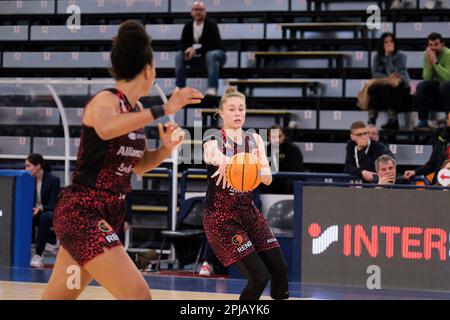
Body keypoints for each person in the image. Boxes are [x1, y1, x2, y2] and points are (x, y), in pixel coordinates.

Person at [41, 20, 203, 300]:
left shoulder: (135, 109)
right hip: (83, 212)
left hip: (107, 211)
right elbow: (105, 128)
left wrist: (165, 149)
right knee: (139, 295)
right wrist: (164, 109)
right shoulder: (107, 100)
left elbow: (138, 164)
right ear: (149, 70)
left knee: (58, 298)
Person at [202, 86, 289, 300]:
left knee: (280, 269)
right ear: (221, 113)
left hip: (248, 213)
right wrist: (227, 162)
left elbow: (267, 179)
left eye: (241, 109)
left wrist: (254, 165)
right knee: (259, 278)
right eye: (231, 109)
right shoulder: (213, 139)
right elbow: (210, 155)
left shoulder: (255, 140)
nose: (237, 113)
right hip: (222, 218)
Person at [175, 1, 227, 96]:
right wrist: (187, 49)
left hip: (217, 55)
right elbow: (182, 44)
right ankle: (180, 87)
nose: (198, 12)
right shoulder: (187, 26)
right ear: (191, 12)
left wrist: (195, 50)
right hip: (198, 57)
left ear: (205, 12)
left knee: (210, 54)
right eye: (195, 10)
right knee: (179, 55)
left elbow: (213, 44)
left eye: (200, 10)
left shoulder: (211, 25)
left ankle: (212, 87)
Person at [368, 32, 411, 130]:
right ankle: (372, 118)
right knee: (375, 87)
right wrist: (387, 78)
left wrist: (388, 57)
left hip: (401, 88)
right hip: (384, 90)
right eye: (386, 42)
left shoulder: (401, 56)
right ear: (382, 44)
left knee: (387, 87)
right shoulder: (377, 56)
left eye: (391, 41)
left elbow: (397, 75)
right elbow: (375, 74)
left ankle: (392, 119)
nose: (389, 44)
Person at [25, 153, 61, 269]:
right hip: (34, 211)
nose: (26, 169)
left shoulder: (54, 180)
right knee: (24, 216)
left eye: (28, 166)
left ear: (38, 166)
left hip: (48, 211)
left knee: (45, 217)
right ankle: (26, 250)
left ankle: (38, 255)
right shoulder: (28, 180)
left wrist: (40, 209)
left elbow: (52, 204)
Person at [414, 33, 450, 131]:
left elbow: (448, 77)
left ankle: (449, 118)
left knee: (445, 85)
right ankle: (423, 121)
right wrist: (430, 65)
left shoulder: (448, 54)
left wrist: (436, 63)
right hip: (439, 89)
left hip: (448, 87)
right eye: (431, 45)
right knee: (422, 86)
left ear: (442, 44)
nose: (433, 47)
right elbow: (427, 78)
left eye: (436, 44)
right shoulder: (428, 54)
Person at [405, 113, 450, 184]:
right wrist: (415, 172)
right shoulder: (442, 139)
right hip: (440, 185)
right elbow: (432, 164)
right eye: (448, 119)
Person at [261, 125, 303, 194]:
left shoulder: (293, 149)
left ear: (284, 136)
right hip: (273, 179)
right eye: (273, 137)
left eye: (279, 136)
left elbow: (297, 170)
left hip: (288, 179)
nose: (277, 140)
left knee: (290, 184)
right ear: (269, 138)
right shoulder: (265, 150)